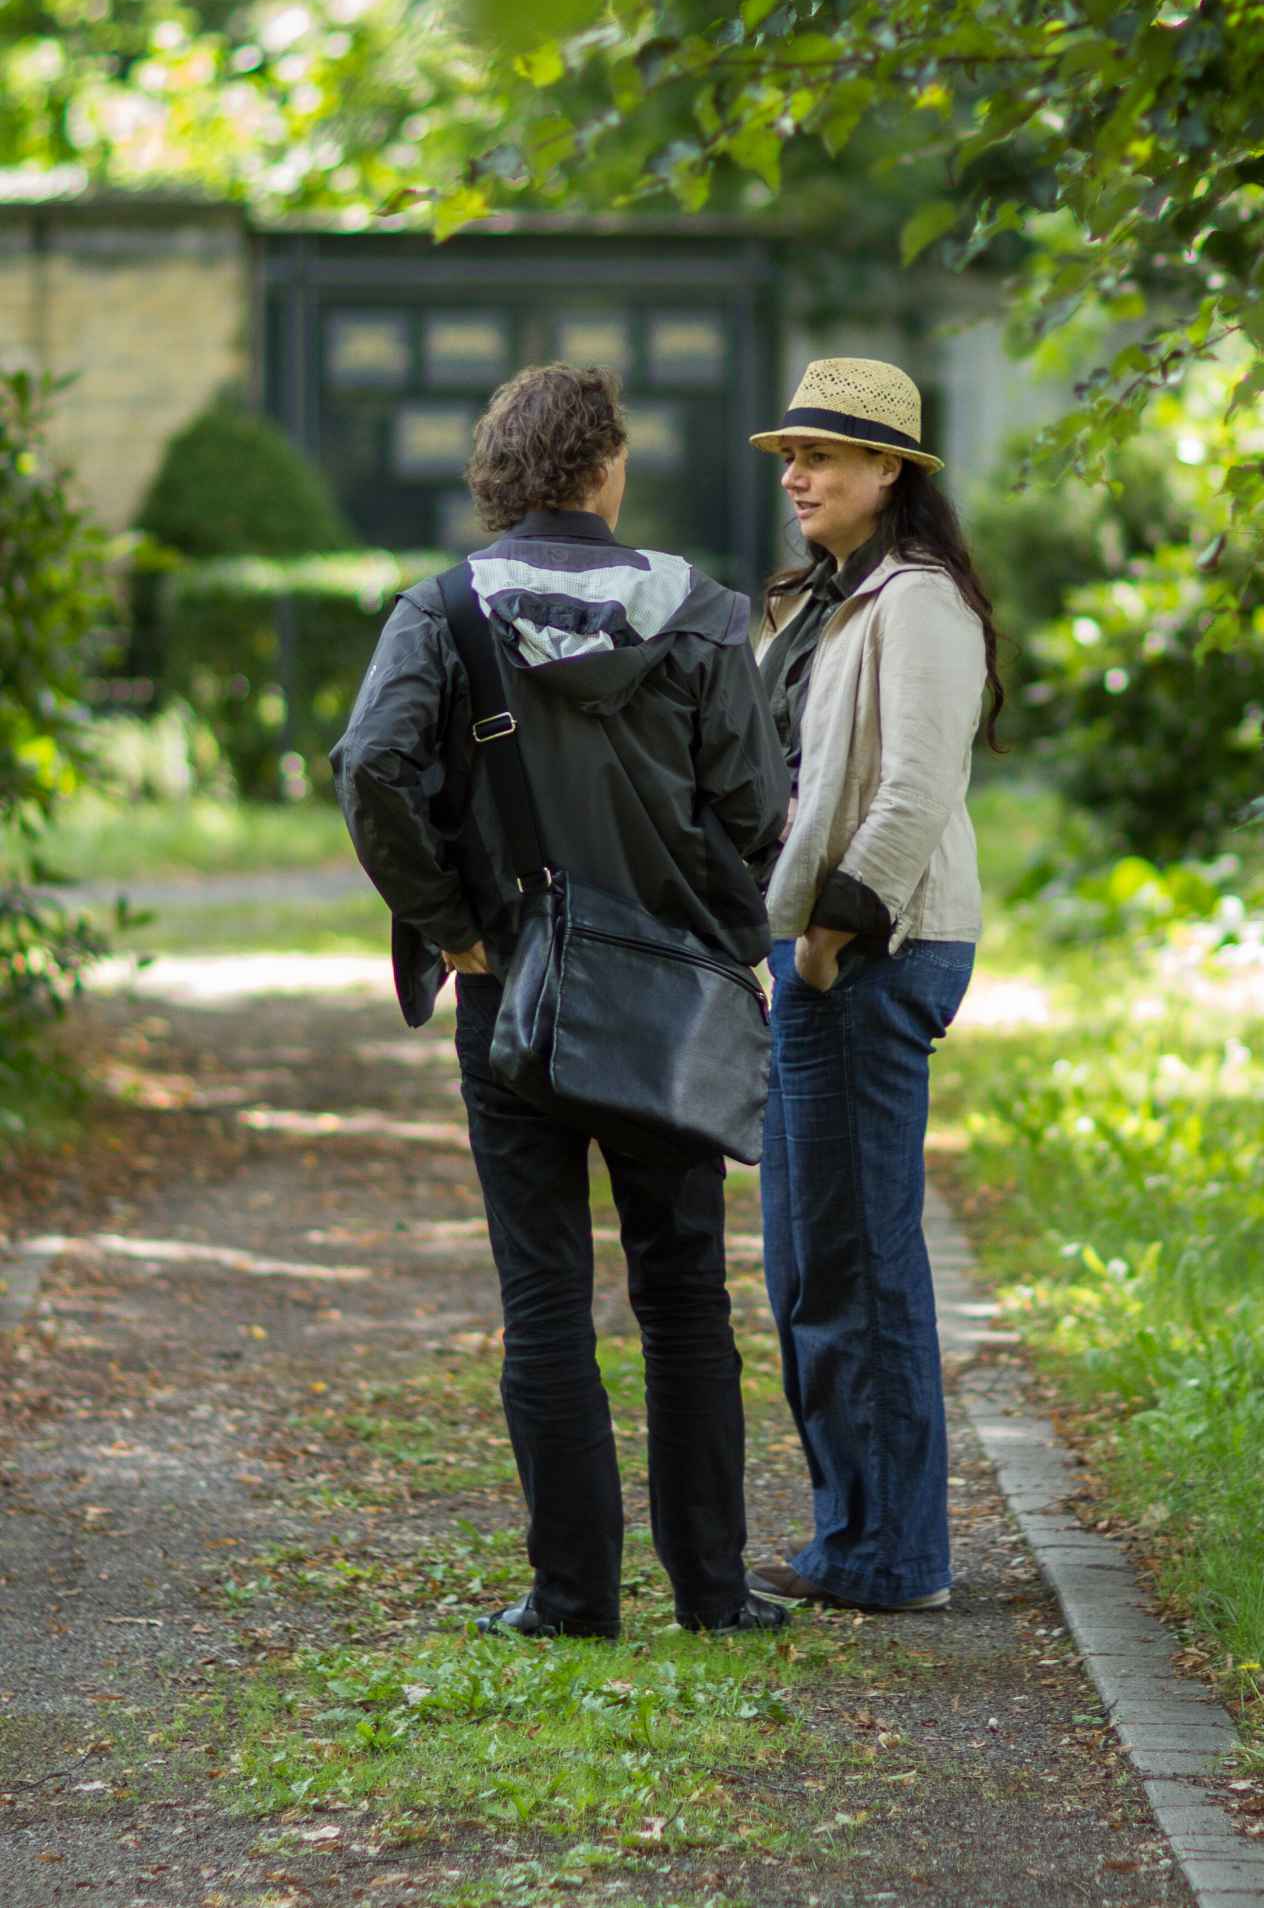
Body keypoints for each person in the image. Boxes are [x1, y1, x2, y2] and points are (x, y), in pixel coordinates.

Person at [331, 361, 790, 1640]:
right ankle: (712, 1591)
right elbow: (758, 812)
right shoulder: (697, 613)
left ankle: (572, 1597)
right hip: (674, 1003)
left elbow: (371, 762)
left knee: (544, 1301)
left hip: (515, 997)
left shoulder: (441, 612)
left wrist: (454, 926)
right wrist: (707, 918)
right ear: (602, 469)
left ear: (498, 475)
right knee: (684, 1295)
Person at [745, 356, 1004, 1614]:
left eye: (825, 457)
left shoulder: (917, 604)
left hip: (875, 949)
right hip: (818, 955)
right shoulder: (824, 601)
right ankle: (850, 1534)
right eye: (791, 455)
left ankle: (894, 1553)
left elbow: (914, 787)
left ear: (888, 471)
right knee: (806, 1260)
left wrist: (832, 932)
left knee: (858, 1260)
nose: (797, 475)